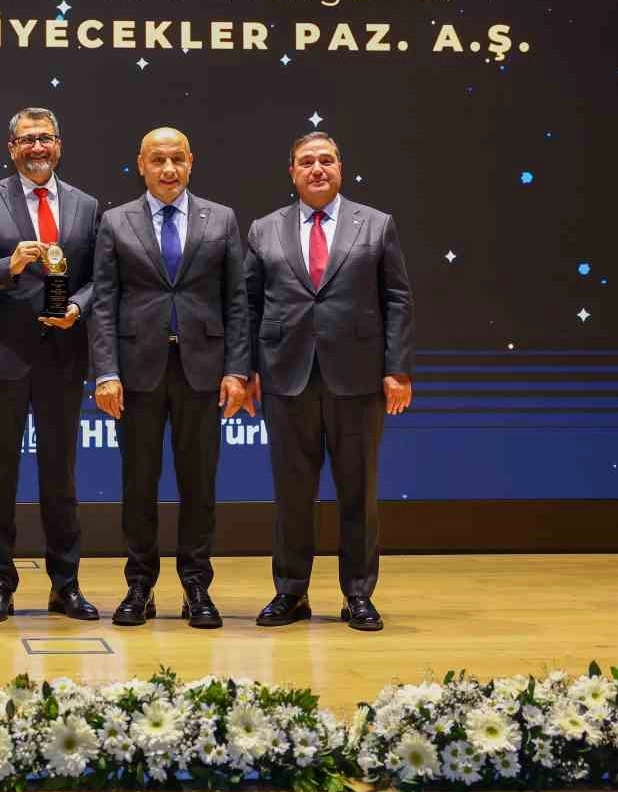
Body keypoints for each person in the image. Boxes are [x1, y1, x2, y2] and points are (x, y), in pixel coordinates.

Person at [245, 131, 414, 632]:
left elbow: (398, 300)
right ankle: (291, 592)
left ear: (340, 167)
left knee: (358, 493)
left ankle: (357, 594)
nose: (317, 169)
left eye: (326, 160)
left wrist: (397, 369)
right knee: (291, 493)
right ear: (292, 172)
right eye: (306, 162)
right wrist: (247, 368)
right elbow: (248, 305)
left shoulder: (377, 225)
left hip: (358, 379)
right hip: (285, 377)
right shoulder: (263, 229)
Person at [89, 127, 252, 628]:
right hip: (137, 373)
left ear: (191, 161)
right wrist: (106, 372)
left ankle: (196, 586)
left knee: (198, 484)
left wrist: (237, 370)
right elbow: (103, 303)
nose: (168, 169)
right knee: (139, 483)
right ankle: (139, 586)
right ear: (141, 164)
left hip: (202, 372)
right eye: (158, 159)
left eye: (177, 159)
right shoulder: (116, 221)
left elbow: (237, 301)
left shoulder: (221, 219)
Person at [0, 107, 102, 623]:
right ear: (11, 148)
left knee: (61, 477)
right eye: (27, 139)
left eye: (46, 138)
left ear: (59, 145)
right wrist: (8, 265)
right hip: (2, 357)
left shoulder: (85, 205)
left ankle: (67, 585)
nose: (38, 147)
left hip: (63, 356)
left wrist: (77, 306)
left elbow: (100, 277)